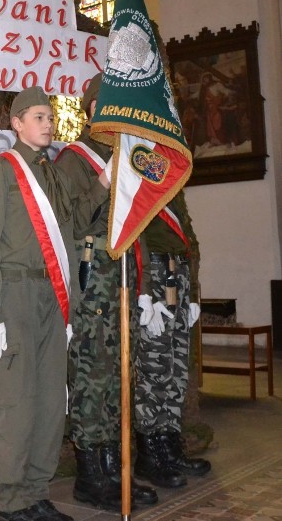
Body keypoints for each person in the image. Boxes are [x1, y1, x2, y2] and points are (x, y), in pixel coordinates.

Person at [0, 86, 110, 521]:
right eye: (37, 117)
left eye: (50, 117)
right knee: (16, 400)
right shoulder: (3, 172)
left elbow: (71, 228)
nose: (47, 124)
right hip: (15, 298)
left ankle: (36, 491)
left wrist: (105, 184)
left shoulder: (52, 173)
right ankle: (14, 502)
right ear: (16, 124)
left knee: (51, 399)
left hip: (52, 297)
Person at [55, 74, 157, 511]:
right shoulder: (71, 161)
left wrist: (147, 286)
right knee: (92, 378)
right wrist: (103, 182)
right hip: (93, 284)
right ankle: (91, 475)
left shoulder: (129, 155)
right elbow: (70, 223)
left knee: (120, 376)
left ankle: (115, 466)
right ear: (92, 109)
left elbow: (142, 222)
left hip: (124, 279)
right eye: (108, 105)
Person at [133, 191, 211, 489]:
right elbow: (133, 234)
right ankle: (150, 455)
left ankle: (170, 445)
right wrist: (143, 291)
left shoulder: (170, 176)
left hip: (176, 270)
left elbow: (186, 236)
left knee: (177, 367)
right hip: (153, 271)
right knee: (155, 366)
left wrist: (190, 289)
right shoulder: (136, 167)